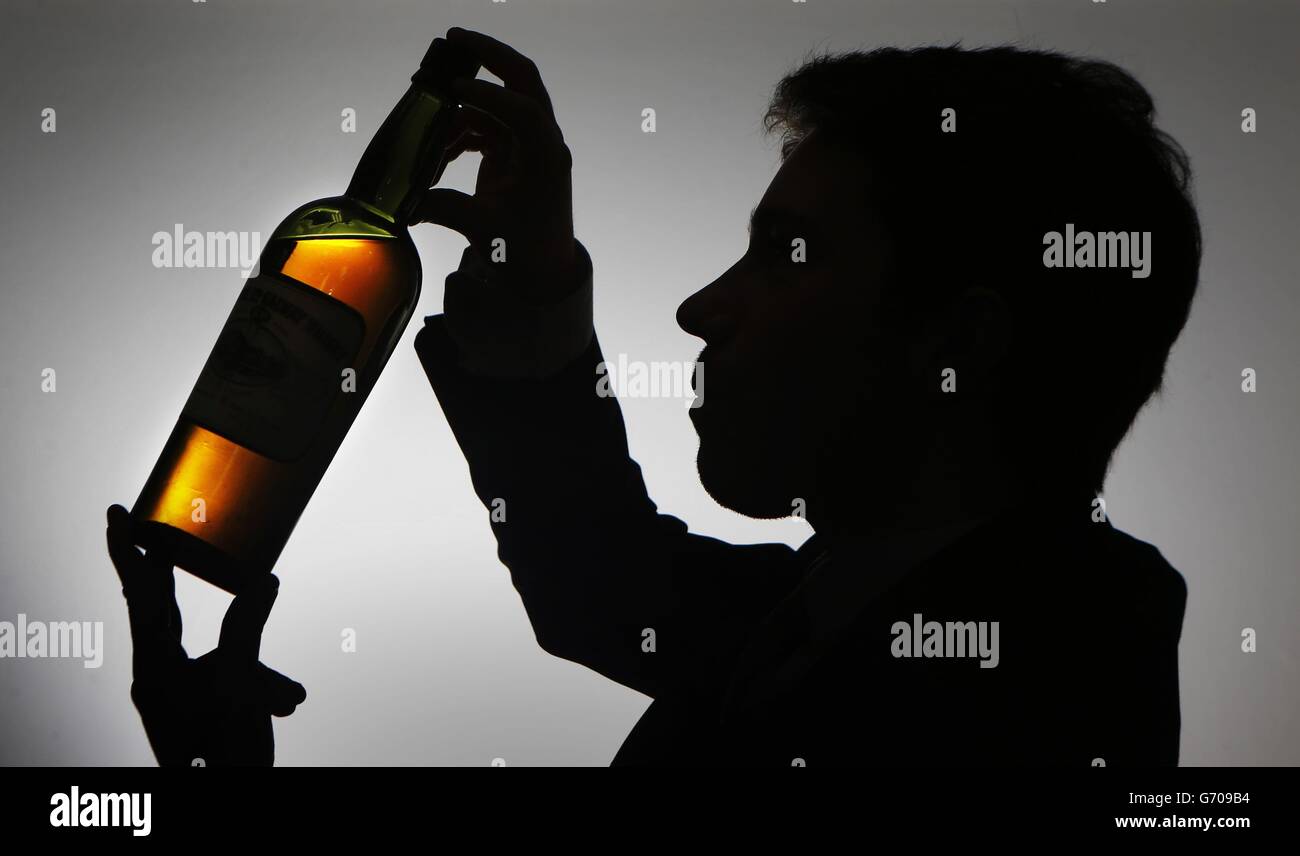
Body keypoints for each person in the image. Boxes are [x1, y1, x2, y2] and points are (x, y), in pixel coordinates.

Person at [107, 26, 1200, 766]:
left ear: (955, 342)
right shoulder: (808, 614)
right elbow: (600, 579)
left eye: (786, 254)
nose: (698, 309)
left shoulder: (1048, 667)